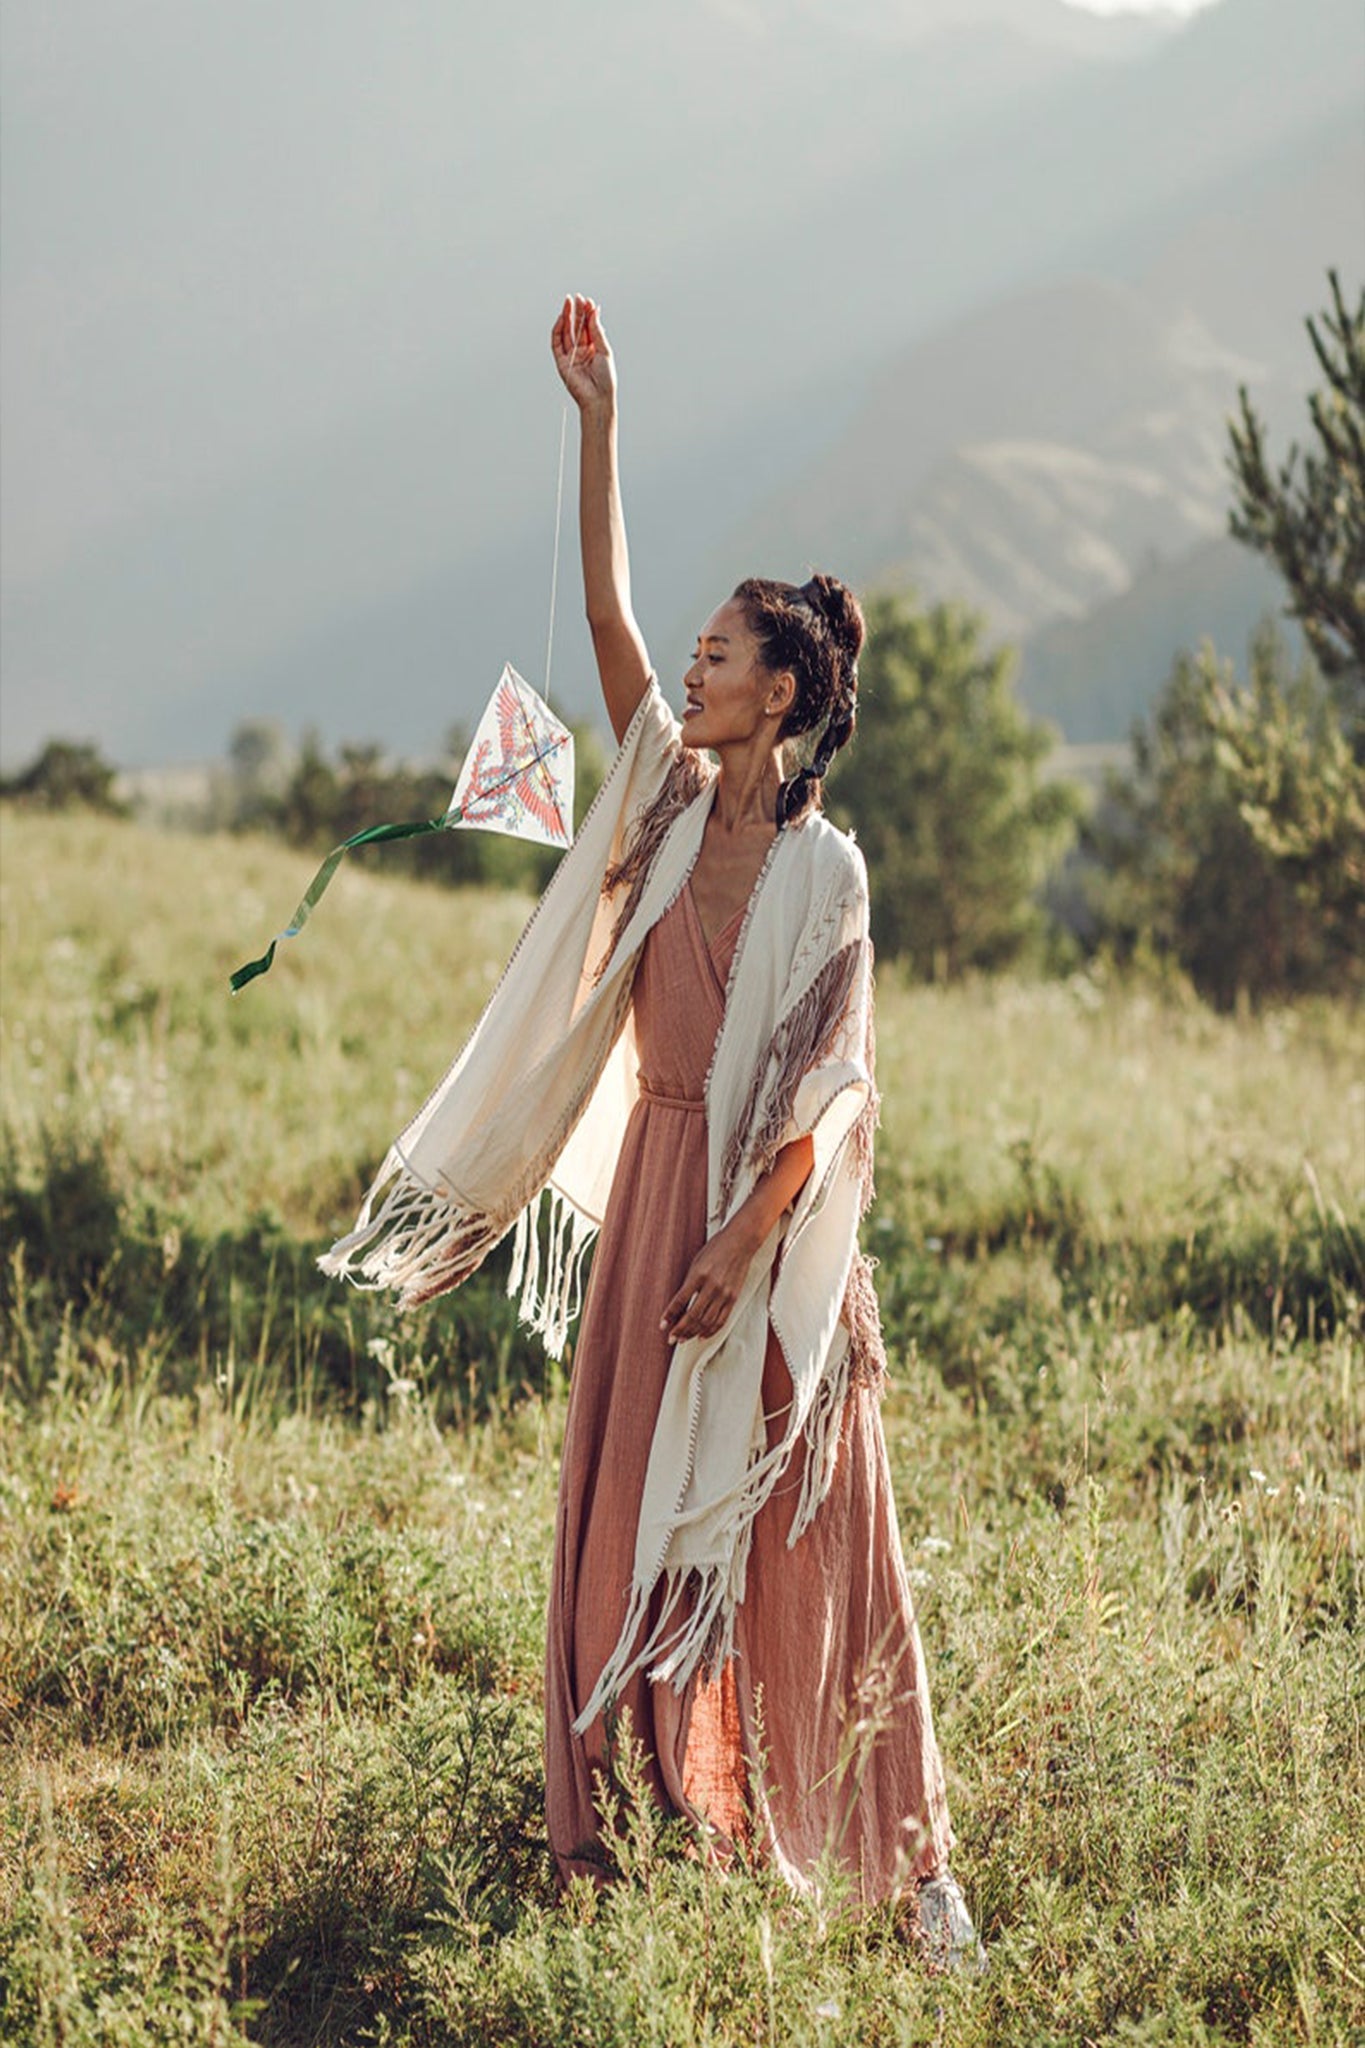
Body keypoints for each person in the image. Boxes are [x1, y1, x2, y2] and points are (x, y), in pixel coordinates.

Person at [322, 294, 982, 1968]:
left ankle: (904, 1869)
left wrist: (740, 1249)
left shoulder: (829, 876)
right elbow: (606, 610)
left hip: (766, 1248)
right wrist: (597, 418)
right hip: (650, 1195)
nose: (687, 668)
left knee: (808, 1534)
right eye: (690, 655)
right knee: (623, 1523)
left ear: (784, 696)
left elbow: (834, 1092)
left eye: (717, 656)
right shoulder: (671, 813)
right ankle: (612, 1838)